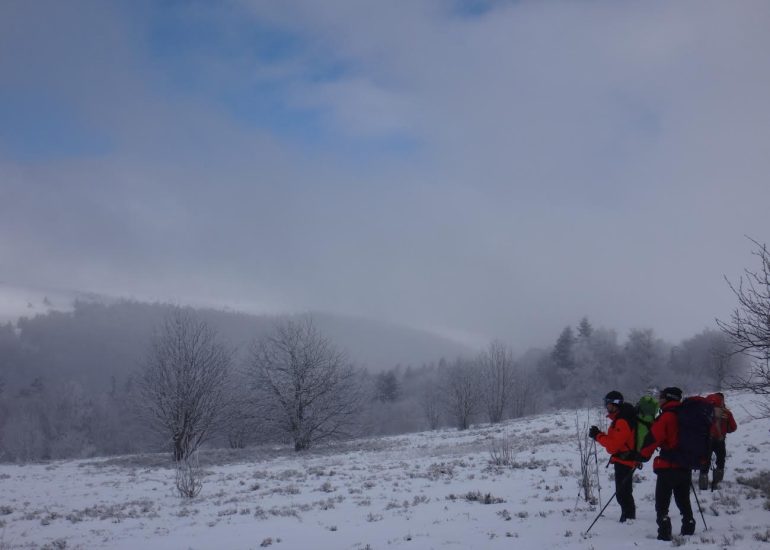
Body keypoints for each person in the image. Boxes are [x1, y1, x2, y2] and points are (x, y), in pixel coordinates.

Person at [640, 386, 695, 541]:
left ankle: (664, 533)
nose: (659, 400)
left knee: (662, 504)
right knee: (683, 499)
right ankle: (689, 525)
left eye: (661, 397)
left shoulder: (667, 417)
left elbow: (653, 438)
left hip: (668, 466)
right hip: (685, 465)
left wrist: (642, 455)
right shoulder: (687, 414)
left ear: (668, 398)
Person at [588, 390, 637, 522]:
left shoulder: (622, 421)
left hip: (625, 460)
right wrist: (600, 434)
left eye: (608, 403)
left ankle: (628, 519)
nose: (606, 406)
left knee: (622, 494)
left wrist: (598, 436)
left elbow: (613, 446)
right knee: (623, 493)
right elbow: (614, 439)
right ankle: (628, 517)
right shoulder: (620, 418)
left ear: (615, 404)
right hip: (623, 459)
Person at [699, 392, 737, 490]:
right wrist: (726, 427)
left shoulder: (704, 411)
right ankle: (717, 482)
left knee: (705, 460)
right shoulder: (726, 413)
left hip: (706, 439)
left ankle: (703, 482)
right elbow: (733, 428)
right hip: (720, 439)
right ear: (722, 401)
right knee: (721, 460)